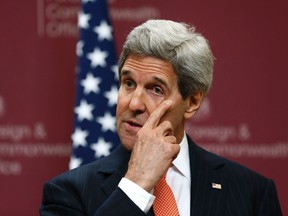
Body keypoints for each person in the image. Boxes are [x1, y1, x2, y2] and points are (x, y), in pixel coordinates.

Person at [40, 19, 282, 216]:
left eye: (156, 89)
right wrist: (135, 185)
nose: (134, 103)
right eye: (128, 83)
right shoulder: (68, 193)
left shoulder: (251, 192)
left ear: (192, 102)